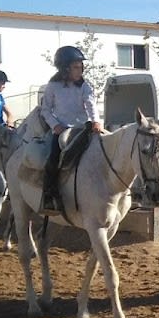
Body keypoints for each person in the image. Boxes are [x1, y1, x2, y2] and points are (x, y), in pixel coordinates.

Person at [39, 46, 105, 212]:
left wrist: (95, 121)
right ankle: (49, 196)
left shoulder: (84, 86)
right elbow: (45, 110)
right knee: (52, 160)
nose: (80, 70)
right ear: (65, 68)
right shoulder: (53, 86)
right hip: (62, 131)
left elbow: (91, 105)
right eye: (76, 67)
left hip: (82, 130)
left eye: (81, 66)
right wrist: (55, 126)